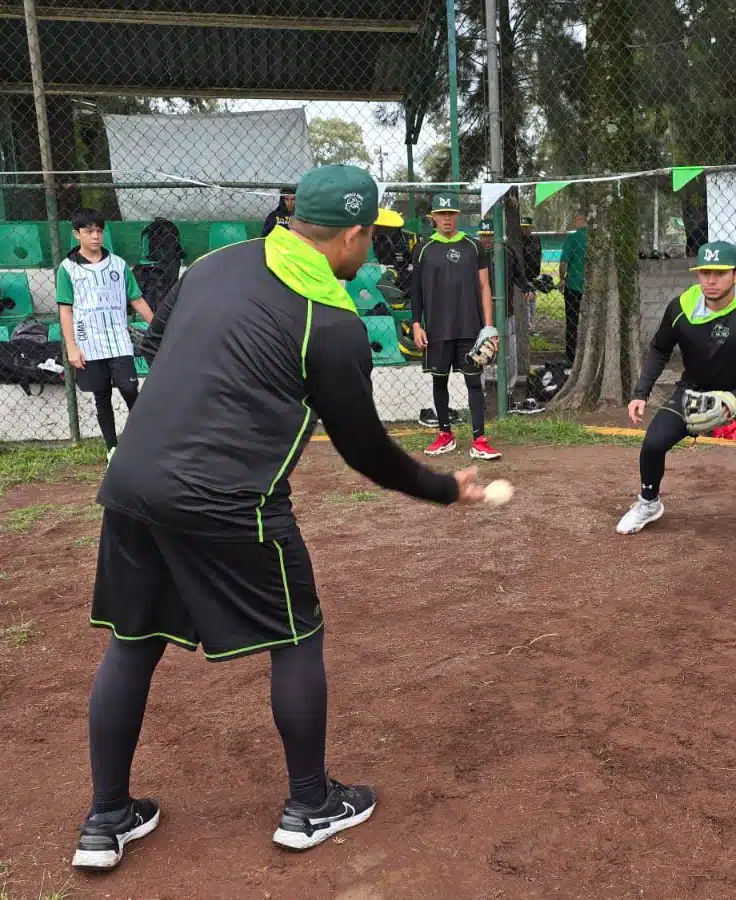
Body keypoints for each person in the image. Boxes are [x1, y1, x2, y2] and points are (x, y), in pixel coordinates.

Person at [72, 165, 491, 873]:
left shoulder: (214, 263)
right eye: (372, 240)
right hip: (231, 500)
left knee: (132, 643)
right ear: (353, 236)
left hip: (133, 480)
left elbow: (152, 349)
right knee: (297, 636)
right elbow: (366, 453)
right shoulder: (332, 326)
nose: (373, 252)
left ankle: (106, 818)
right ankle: (309, 803)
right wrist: (445, 490)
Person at [614, 241, 736, 553]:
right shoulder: (681, 308)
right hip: (695, 391)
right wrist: (641, 392)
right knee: (653, 443)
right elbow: (660, 348)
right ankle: (649, 502)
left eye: (719, 273)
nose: (710, 280)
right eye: (705, 273)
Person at [57, 207, 154, 460]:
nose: (95, 236)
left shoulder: (119, 265)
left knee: (131, 391)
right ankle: (112, 449)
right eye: (89, 231)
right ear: (77, 234)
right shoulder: (67, 269)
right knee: (102, 396)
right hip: (89, 344)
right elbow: (65, 311)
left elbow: (137, 300)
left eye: (99, 231)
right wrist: (72, 346)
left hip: (119, 341)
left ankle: (145, 443)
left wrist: (158, 327)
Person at [410, 195, 502, 460]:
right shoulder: (423, 248)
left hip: (469, 327)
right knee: (439, 382)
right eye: (442, 214)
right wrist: (417, 324)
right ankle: (445, 434)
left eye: (451, 213)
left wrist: (489, 328)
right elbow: (415, 290)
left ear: (457, 215)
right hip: (436, 329)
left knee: (474, 382)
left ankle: (479, 440)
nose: (447, 218)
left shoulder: (473, 246)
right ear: (433, 217)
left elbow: (485, 286)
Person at [558, 214, 587, 364]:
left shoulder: (573, 238)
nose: (574, 221)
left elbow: (564, 262)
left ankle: (571, 356)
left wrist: (562, 278)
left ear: (582, 219)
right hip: (591, 288)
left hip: (573, 286)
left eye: (576, 218)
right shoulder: (597, 240)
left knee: (572, 321)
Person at [518, 216, 543, 330]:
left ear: (531, 227)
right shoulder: (518, 241)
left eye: (527, 227)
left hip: (534, 276)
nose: (524, 230)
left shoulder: (536, 239)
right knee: (526, 303)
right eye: (522, 227)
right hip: (523, 277)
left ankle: (531, 324)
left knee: (532, 303)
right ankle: (527, 326)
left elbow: (539, 254)